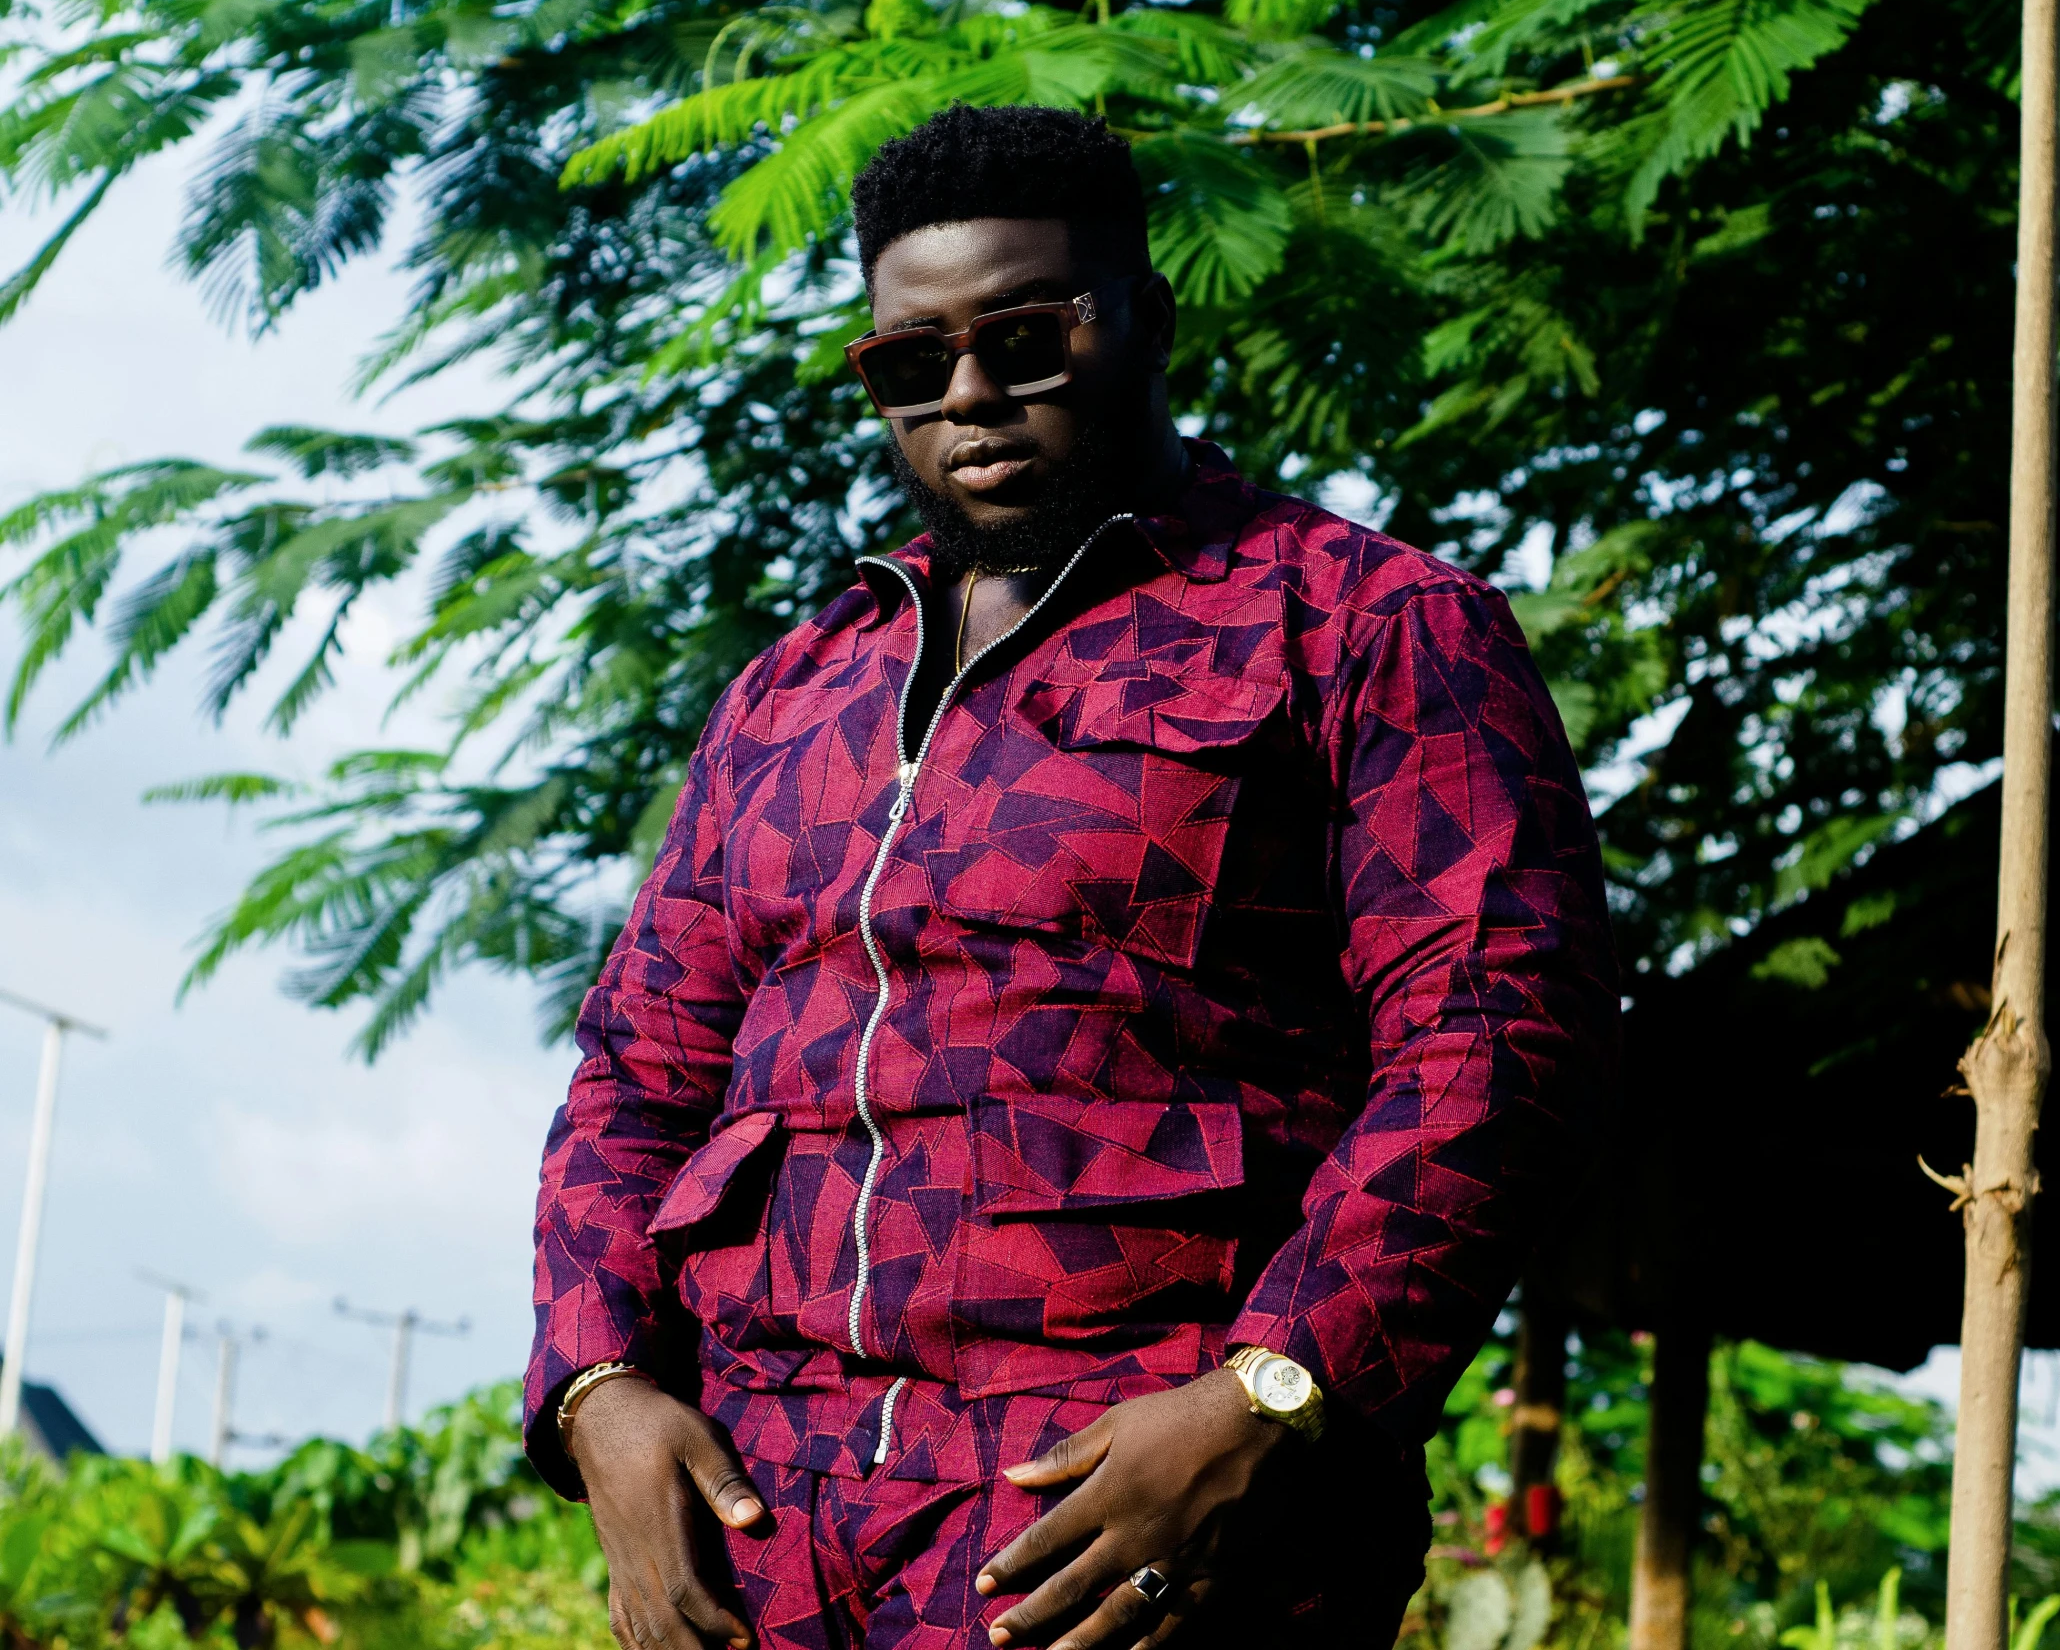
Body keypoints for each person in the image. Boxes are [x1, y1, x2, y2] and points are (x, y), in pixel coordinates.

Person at [524, 104, 1619, 1650]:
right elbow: (637, 1076)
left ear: (1146, 320)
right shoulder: (792, 691)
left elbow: (1501, 1038)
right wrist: (597, 1388)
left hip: (1126, 1537)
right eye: (914, 361)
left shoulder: (1360, 625)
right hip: (762, 1544)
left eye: (1026, 338)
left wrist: (1275, 1394)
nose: (969, 394)